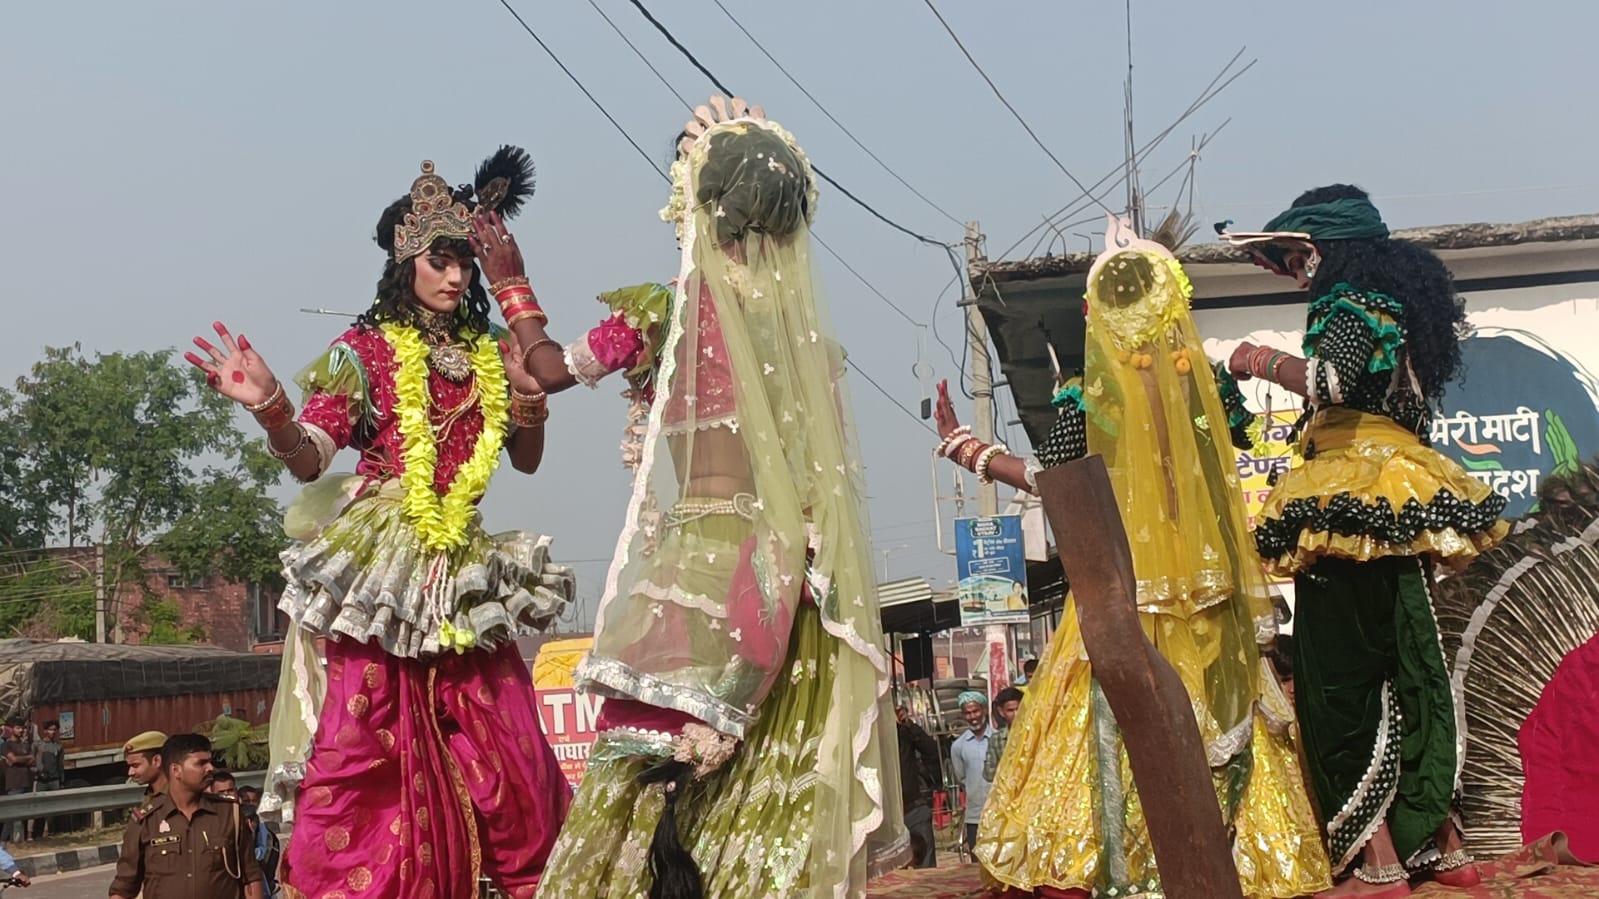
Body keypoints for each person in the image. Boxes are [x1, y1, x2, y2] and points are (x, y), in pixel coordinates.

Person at [537, 98, 908, 897]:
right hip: (791, 588)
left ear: (694, 202)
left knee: (650, 782)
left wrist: (508, 285)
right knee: (771, 792)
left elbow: (544, 371)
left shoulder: (662, 312)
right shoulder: (809, 341)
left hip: (701, 574)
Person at [183, 147, 574, 899]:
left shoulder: (492, 350)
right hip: (385, 556)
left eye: (464, 261)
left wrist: (528, 399)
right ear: (407, 263)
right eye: (441, 260)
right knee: (371, 740)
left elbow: (524, 460)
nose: (456, 275)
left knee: (511, 744)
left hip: (460, 556)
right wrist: (270, 406)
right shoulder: (363, 350)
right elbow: (309, 458)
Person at [933, 237, 1329, 898]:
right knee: (1230, 720)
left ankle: (1116, 861)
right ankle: (1239, 857)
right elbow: (1233, 449)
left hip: (1120, 590)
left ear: (1097, 316)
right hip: (1210, 587)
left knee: (1105, 724)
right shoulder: (1200, 384)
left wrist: (965, 448)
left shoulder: (1091, 396)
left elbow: (1047, 479)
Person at [1221, 185, 1509, 896]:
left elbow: (1330, 379)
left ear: (1320, 247)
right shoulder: (1395, 308)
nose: (1291, 271)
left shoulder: (1346, 301)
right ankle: (1445, 846)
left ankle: (1375, 860)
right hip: (1392, 489)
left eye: (1291, 256)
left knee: (1338, 682)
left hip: (1347, 494)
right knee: (1406, 664)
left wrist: (1257, 360)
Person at [108, 733, 264, 899]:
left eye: (210, 762)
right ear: (176, 770)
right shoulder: (146, 820)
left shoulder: (229, 813)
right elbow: (123, 888)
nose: (210, 768)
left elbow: (251, 877)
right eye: (201, 763)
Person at [896, 704, 942, 868]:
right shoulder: (866, 736)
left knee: (925, 865)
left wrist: (909, 725)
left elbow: (932, 751)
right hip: (887, 818)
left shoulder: (904, 732)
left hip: (914, 809)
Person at [948, 691, 993, 854]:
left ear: (984, 710)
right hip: (975, 815)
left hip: (1000, 813)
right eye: (968, 713)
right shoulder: (958, 746)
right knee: (978, 864)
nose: (973, 716)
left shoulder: (1000, 739)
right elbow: (962, 777)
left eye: (976, 711)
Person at [30, 720, 63, 840]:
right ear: (45, 731)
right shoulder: (37, 745)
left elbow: (60, 765)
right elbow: (32, 761)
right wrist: (37, 772)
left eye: (54, 730)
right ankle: (36, 834)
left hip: (54, 780)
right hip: (41, 781)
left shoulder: (58, 746)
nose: (52, 732)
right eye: (50, 729)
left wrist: (62, 781)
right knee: (40, 808)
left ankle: (52, 833)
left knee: (54, 809)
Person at [982, 686, 1023, 783]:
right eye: (1010, 710)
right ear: (1001, 712)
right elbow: (988, 774)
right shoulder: (997, 739)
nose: (1016, 714)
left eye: (1019, 709)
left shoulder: (1035, 734)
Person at [0, 718, 32, 844]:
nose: (21, 730)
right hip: (14, 783)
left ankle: (18, 841)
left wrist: (20, 759)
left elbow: (32, 760)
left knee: (22, 814)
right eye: (18, 728)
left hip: (26, 782)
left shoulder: (25, 745)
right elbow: (12, 760)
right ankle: (2, 841)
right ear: (12, 729)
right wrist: (25, 758)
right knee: (11, 816)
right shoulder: (6, 745)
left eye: (22, 728)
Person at [123, 731, 168, 797]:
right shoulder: (150, 794)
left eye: (135, 765)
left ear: (157, 761)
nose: (130, 773)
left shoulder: (178, 797)